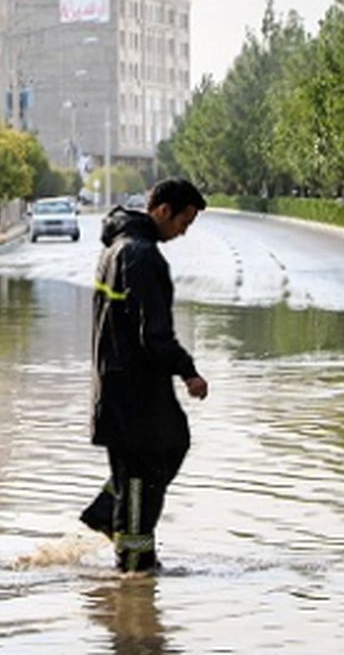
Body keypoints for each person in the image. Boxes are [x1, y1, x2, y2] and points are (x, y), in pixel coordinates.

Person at [80, 177, 209, 573]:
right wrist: (188, 371)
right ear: (163, 210)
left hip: (123, 388)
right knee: (141, 477)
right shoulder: (140, 255)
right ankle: (135, 577)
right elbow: (153, 333)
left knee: (172, 443)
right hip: (133, 393)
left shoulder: (119, 248)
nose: (183, 232)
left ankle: (109, 512)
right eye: (183, 222)